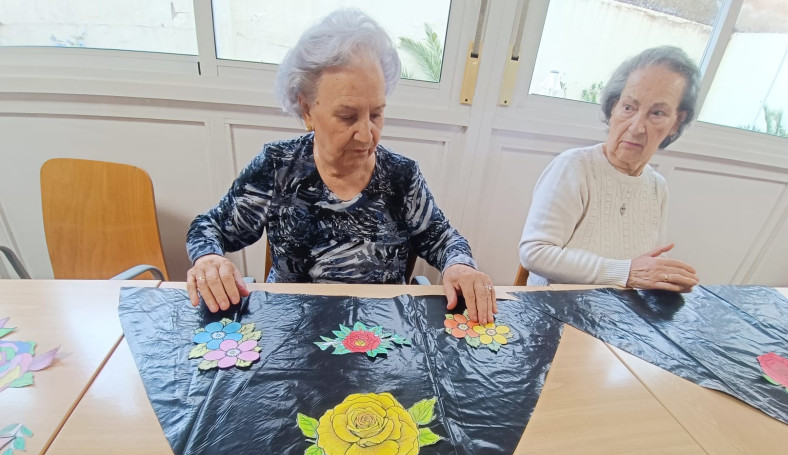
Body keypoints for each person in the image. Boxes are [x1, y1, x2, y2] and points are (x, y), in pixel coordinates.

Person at [187, 9, 497, 323]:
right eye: (348, 116)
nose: (366, 135)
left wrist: (460, 265)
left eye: (376, 114)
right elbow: (208, 227)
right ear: (306, 109)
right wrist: (210, 259)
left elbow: (443, 238)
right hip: (293, 335)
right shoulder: (277, 167)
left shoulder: (402, 176)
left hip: (382, 337)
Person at [519, 46, 700, 292]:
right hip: (556, 310)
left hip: (619, 314)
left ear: (675, 123)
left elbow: (647, 263)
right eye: (629, 107)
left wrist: (662, 277)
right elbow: (535, 253)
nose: (636, 127)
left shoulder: (657, 186)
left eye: (656, 113)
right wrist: (625, 273)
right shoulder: (574, 167)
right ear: (613, 107)